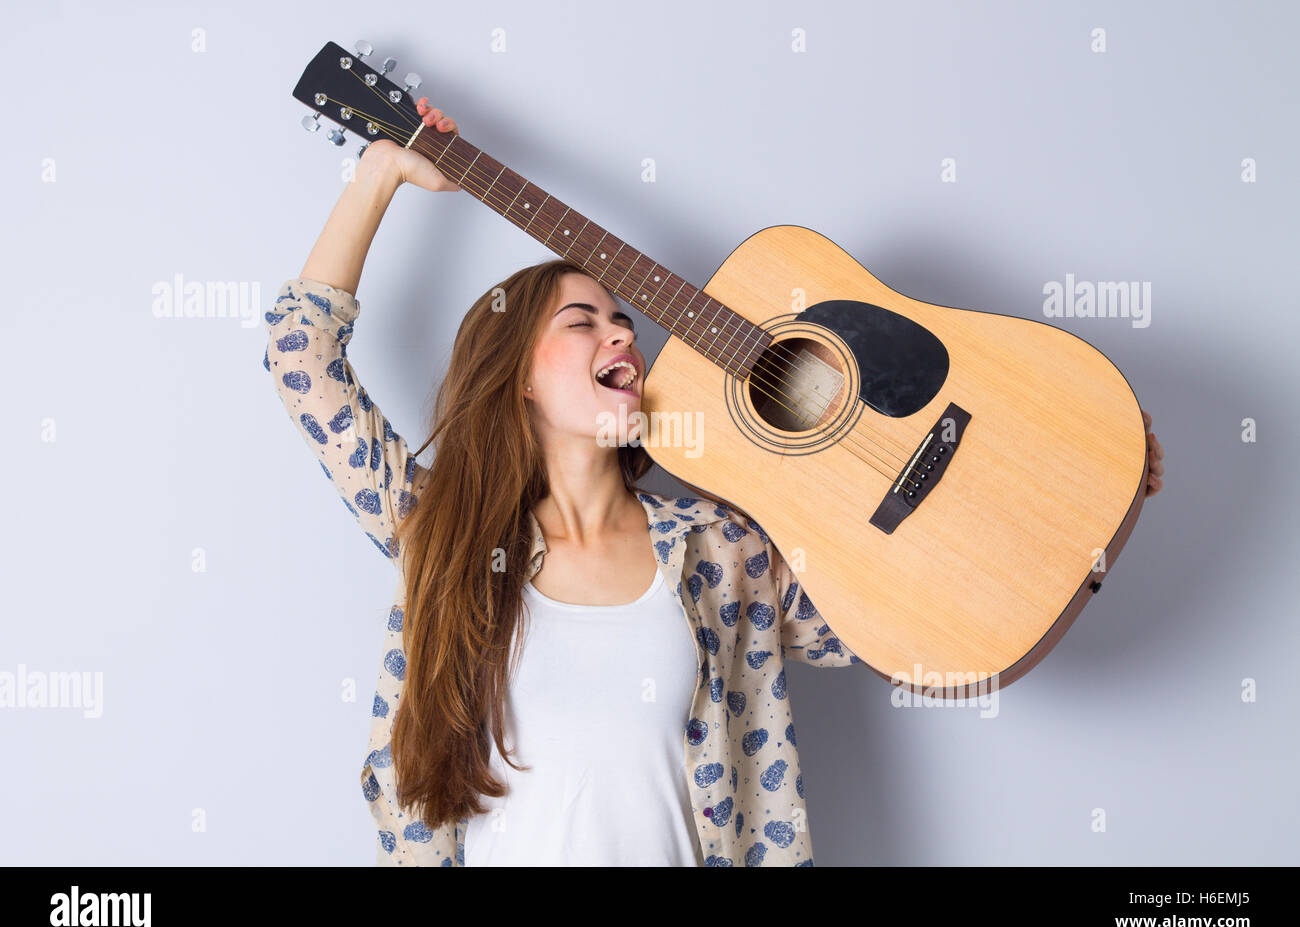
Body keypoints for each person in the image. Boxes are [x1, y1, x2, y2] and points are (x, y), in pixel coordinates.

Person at [263, 100, 1166, 866]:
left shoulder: (722, 552)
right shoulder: (442, 533)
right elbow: (301, 356)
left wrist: (1086, 487)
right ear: (520, 377)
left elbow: (925, 615)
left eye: (625, 321)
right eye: (583, 323)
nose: (623, 336)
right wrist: (381, 172)